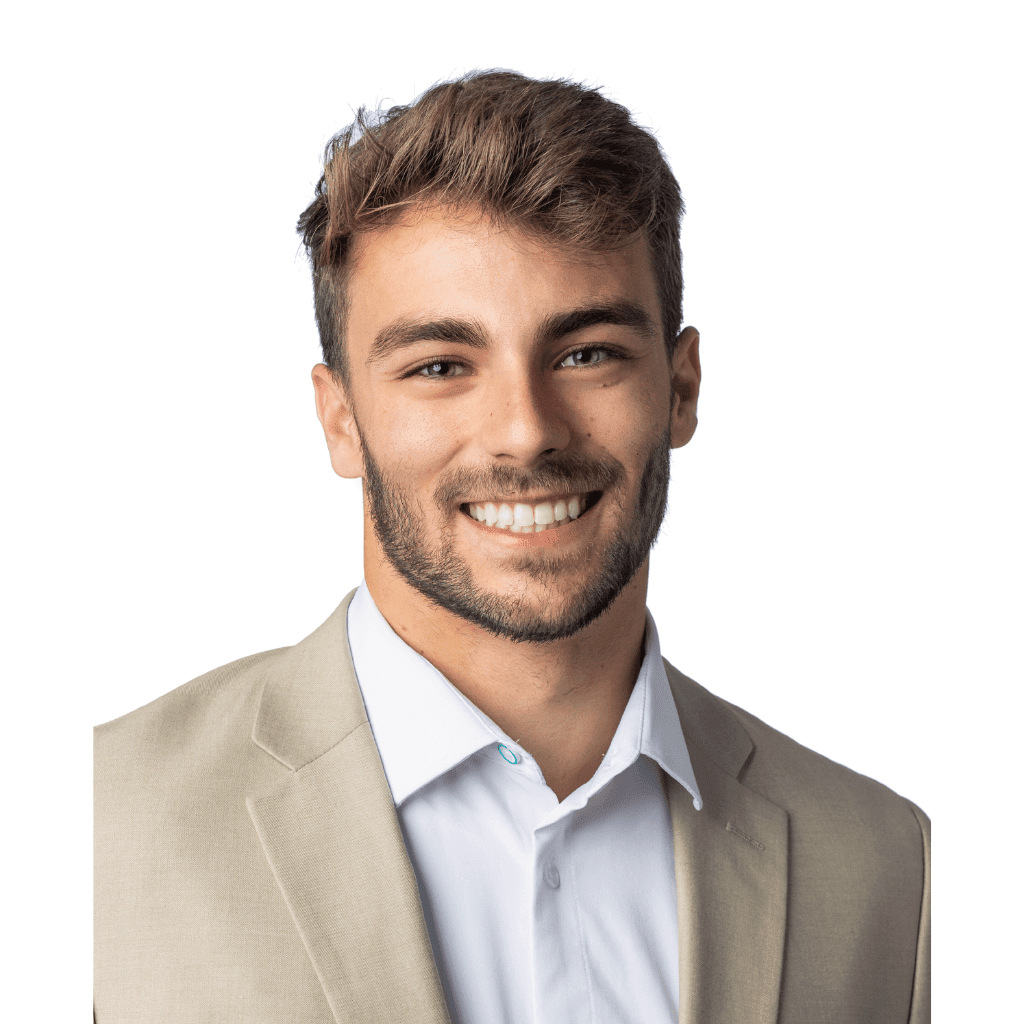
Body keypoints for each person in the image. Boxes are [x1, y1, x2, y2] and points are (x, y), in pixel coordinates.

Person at [94, 71, 929, 1024]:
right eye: (441, 366)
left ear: (682, 388)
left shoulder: (885, 867)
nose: (526, 432)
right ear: (341, 420)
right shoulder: (86, 830)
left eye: (587, 353)